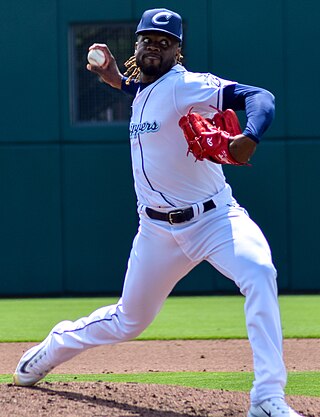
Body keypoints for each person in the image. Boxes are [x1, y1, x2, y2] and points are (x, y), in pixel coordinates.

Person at [13, 8, 304, 417]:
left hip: (215, 219)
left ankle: (267, 397)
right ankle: (52, 347)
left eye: (165, 42)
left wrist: (249, 136)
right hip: (155, 232)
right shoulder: (144, 91)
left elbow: (261, 97)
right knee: (128, 321)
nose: (155, 46)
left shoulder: (188, 85)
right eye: (148, 39)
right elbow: (142, 92)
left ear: (177, 51)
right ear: (136, 45)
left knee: (259, 272)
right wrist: (117, 80)